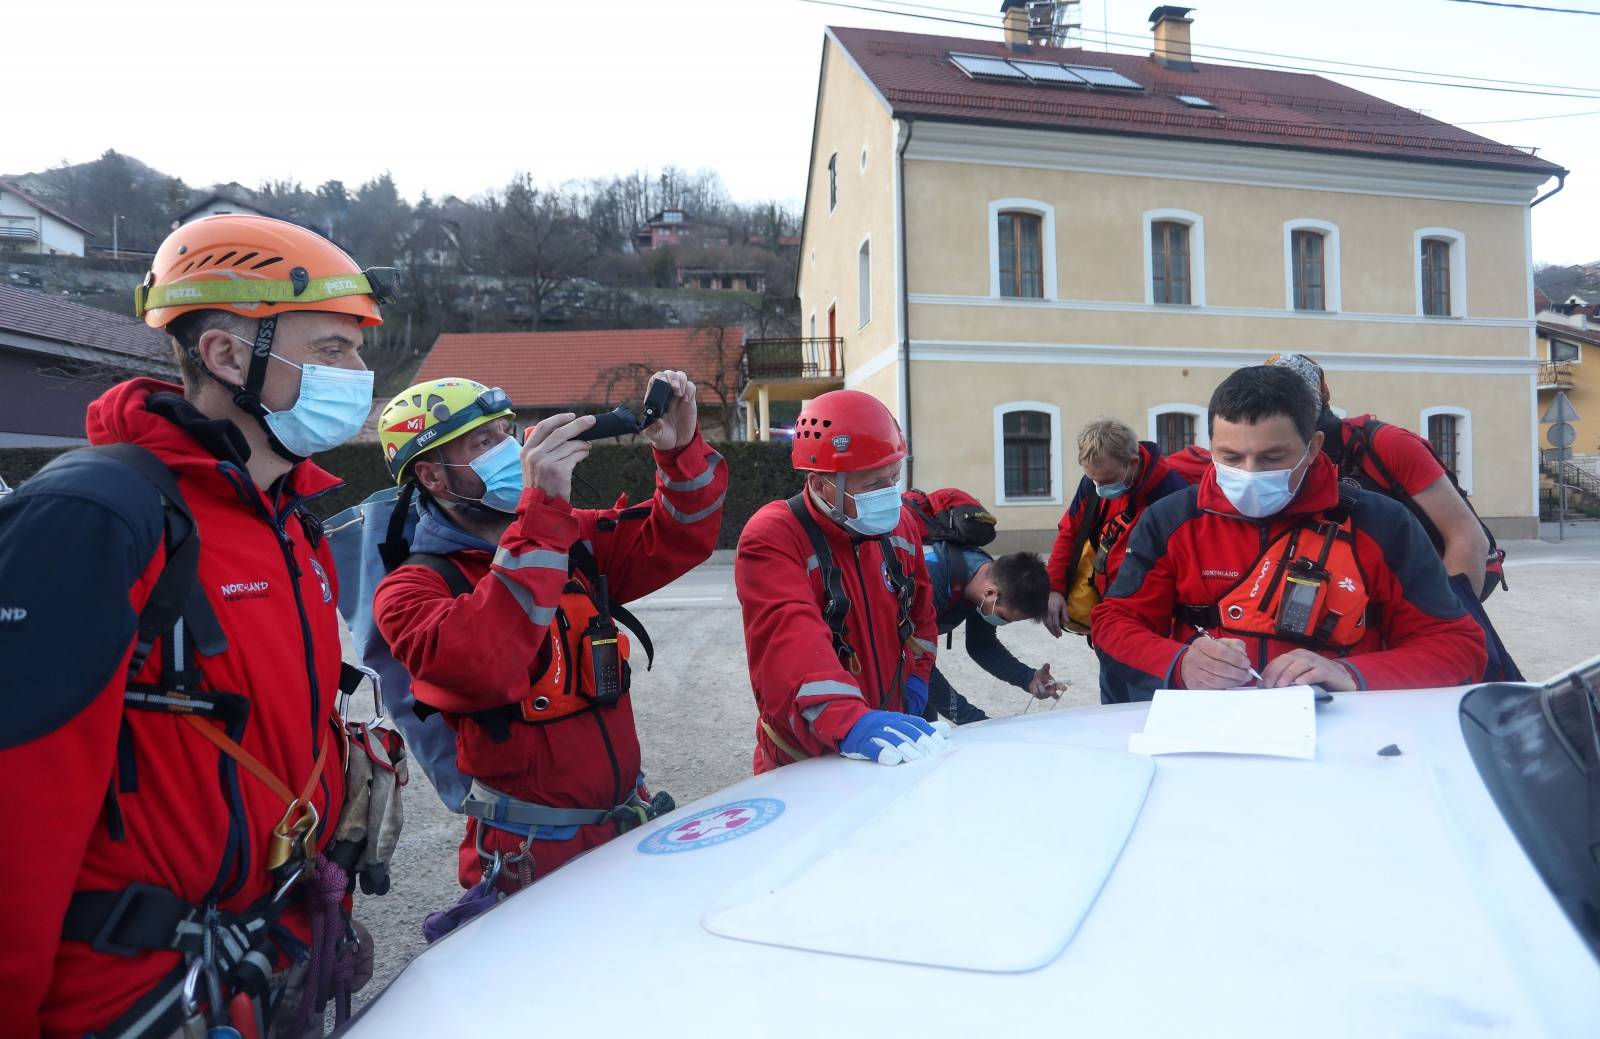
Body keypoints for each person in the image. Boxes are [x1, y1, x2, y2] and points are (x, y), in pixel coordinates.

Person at [0, 215, 390, 1037]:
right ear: (223, 355)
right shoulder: (93, 520)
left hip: (257, 968)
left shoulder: (290, 521)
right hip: (133, 1000)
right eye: (330, 349)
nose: (360, 373)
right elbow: (14, 823)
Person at [372, 371, 725, 893]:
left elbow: (677, 537)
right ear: (432, 477)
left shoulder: (567, 533)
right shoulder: (411, 590)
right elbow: (484, 662)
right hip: (528, 853)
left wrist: (679, 454)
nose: (509, 450)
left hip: (624, 826)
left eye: (506, 433)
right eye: (483, 443)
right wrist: (541, 513)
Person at [1093, 365, 1488, 700]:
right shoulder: (1171, 520)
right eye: (1230, 457)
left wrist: (1353, 674)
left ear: (1314, 447)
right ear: (1210, 445)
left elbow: (1458, 646)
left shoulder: (1383, 524)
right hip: (1211, 736)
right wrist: (1179, 664)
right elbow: (1114, 623)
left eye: (1272, 457)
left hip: (1344, 738)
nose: (1249, 473)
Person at [736, 389, 949, 773]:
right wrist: (849, 721)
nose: (889, 495)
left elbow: (920, 616)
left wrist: (917, 680)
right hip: (808, 762)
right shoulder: (774, 537)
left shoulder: (900, 526)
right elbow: (791, 640)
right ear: (820, 486)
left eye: (894, 478)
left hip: (884, 744)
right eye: (872, 484)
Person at [1266, 352, 1495, 595]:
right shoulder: (1269, 458)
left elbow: (1466, 535)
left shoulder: (1388, 444)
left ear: (1324, 392)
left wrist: (1451, 619)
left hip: (1425, 590)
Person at [1045, 418, 1191, 702]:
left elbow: (1185, 568)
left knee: (1145, 709)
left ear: (1133, 462)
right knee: (1111, 705)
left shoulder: (1172, 493)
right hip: (1110, 618)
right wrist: (1054, 587)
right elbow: (1069, 532)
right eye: (1093, 480)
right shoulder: (1095, 482)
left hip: (1152, 627)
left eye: (1107, 481)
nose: (1100, 488)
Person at [921, 544, 1062, 723]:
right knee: (910, 716)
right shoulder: (930, 584)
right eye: (1002, 616)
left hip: (907, 656)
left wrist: (1028, 678)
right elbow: (917, 666)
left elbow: (982, 646)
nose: (1002, 622)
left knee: (923, 719)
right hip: (883, 646)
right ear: (990, 593)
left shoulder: (989, 579)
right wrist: (975, 722)